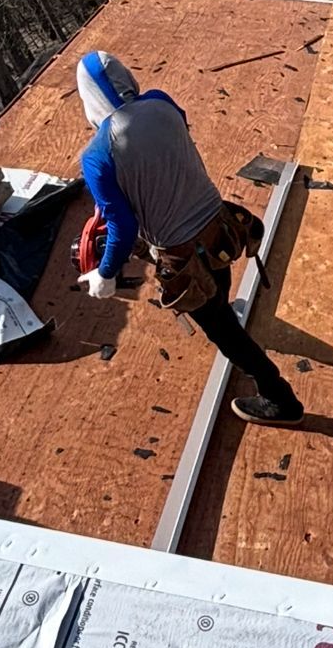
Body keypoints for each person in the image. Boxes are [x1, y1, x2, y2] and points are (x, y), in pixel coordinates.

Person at [75, 49, 304, 428]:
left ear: (89, 98)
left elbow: (124, 227)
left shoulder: (98, 155)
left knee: (223, 331)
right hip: (222, 229)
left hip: (184, 258)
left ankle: (280, 398)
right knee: (219, 293)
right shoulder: (161, 101)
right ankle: (224, 307)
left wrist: (105, 274)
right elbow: (168, 147)